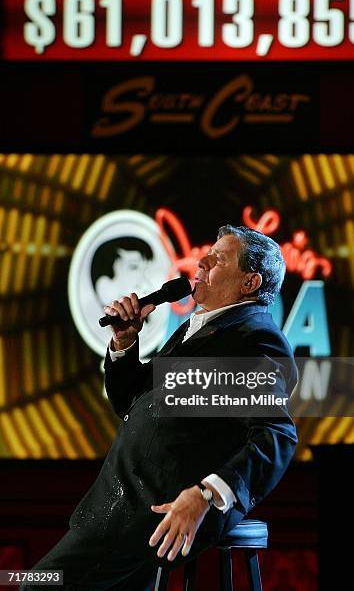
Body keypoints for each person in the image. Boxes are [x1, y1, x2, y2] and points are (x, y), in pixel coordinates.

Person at [21, 225, 298, 590]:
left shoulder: (252, 339)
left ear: (249, 282)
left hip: (140, 519)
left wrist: (206, 495)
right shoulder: (201, 329)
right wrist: (124, 343)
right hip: (122, 512)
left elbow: (276, 434)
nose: (201, 260)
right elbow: (131, 404)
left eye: (218, 258)